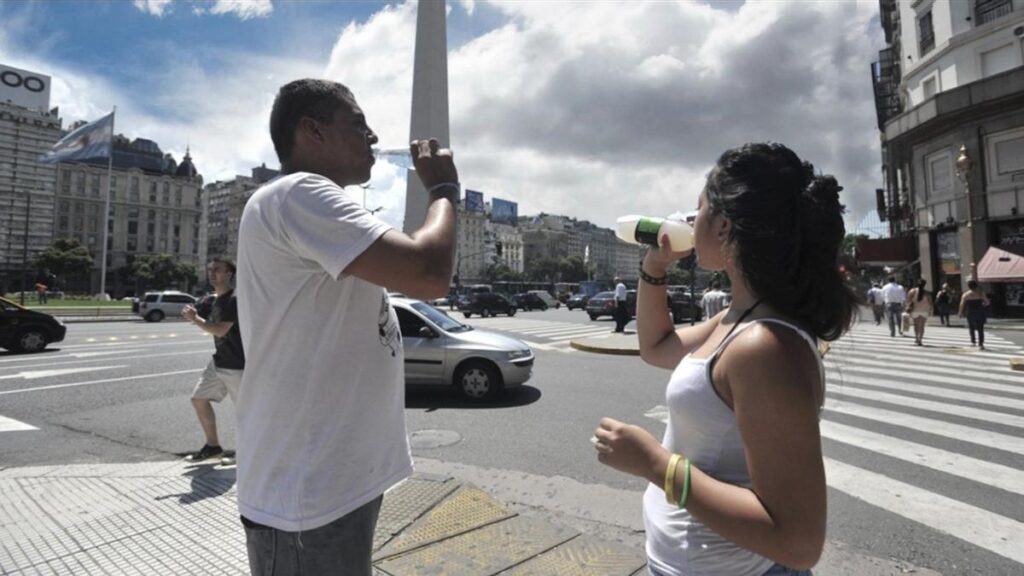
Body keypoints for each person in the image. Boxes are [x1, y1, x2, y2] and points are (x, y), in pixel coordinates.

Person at [593, 143, 857, 576]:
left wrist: (655, 464)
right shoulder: (738, 318)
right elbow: (657, 345)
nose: (690, 221)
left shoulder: (764, 347)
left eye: (699, 209)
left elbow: (799, 541)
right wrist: (654, 267)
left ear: (723, 227)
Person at [234, 79, 458, 575]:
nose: (373, 135)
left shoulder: (308, 204)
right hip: (305, 500)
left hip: (328, 487)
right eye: (357, 124)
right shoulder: (300, 193)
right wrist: (443, 189)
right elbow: (428, 272)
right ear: (312, 131)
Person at [181, 257, 244, 463]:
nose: (212, 273)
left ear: (229, 274)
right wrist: (195, 314)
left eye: (217, 269)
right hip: (219, 361)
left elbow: (220, 329)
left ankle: (245, 454)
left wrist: (196, 320)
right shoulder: (214, 299)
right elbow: (204, 315)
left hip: (238, 365)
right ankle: (213, 446)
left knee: (245, 413)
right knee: (199, 399)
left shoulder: (234, 299)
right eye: (210, 270)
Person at [959, 280, 991, 350]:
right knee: (980, 328)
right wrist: (983, 304)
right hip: (980, 312)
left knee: (971, 327)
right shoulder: (980, 293)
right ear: (976, 286)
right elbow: (987, 302)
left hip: (970, 312)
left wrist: (960, 312)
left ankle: (973, 342)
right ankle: (981, 344)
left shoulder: (965, 295)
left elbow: (962, 304)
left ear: (969, 286)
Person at [905, 279, 933, 346]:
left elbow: (908, 300)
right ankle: (920, 339)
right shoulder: (927, 293)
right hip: (924, 311)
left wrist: (907, 307)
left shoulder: (912, 291)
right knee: (922, 326)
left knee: (916, 325)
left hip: (915, 310)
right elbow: (930, 303)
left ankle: (916, 338)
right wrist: (930, 310)